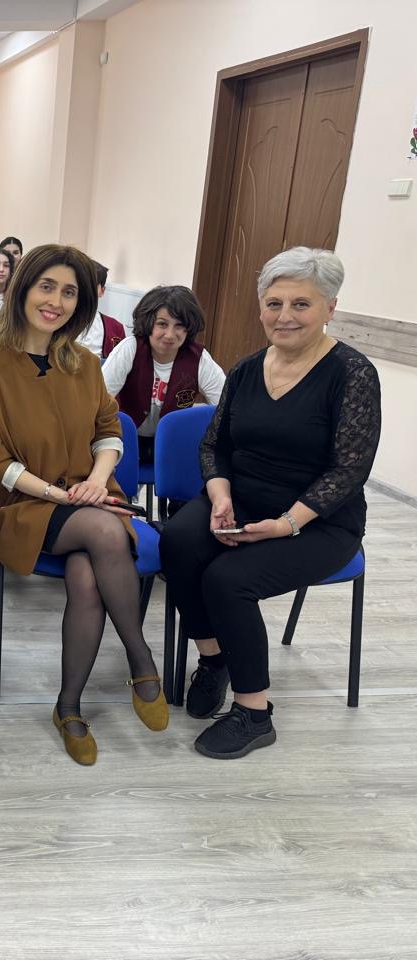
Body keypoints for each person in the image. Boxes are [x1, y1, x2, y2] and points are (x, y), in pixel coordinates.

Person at [159, 247, 381, 760]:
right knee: (178, 542)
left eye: (301, 304)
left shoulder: (352, 373)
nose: (284, 316)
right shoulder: (245, 370)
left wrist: (286, 524)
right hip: (240, 498)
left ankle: (254, 713)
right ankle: (214, 658)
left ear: (329, 308)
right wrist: (220, 495)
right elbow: (214, 446)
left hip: (319, 519)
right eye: (274, 303)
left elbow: (349, 471)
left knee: (228, 579)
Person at [0, 244, 168, 767]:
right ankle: (140, 656)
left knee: (86, 576)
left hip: (92, 496)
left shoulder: (85, 364)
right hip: (23, 506)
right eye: (47, 287)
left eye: (69, 292)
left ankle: (69, 707)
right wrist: (64, 495)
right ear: (22, 291)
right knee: (103, 532)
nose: (56, 301)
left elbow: (109, 432)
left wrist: (96, 482)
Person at [102, 284, 226, 464]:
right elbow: (98, 401)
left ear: (189, 328)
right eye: (162, 324)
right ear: (148, 323)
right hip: (124, 440)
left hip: (172, 444)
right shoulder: (130, 348)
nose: (169, 335)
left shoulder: (199, 358)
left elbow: (225, 408)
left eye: (179, 326)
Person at [75, 261, 128, 358]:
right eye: (81, 284)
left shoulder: (115, 328)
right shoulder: (58, 320)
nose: (85, 291)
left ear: (102, 291)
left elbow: (120, 363)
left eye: (91, 286)